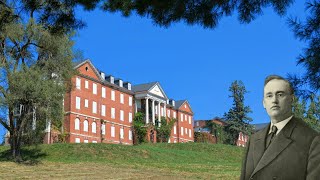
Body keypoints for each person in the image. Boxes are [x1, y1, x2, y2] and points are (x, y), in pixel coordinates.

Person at [240, 75, 320, 180]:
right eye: (269, 95)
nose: (274, 100)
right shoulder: (254, 139)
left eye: (280, 94)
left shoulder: (312, 140)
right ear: (264, 103)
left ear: (292, 99)